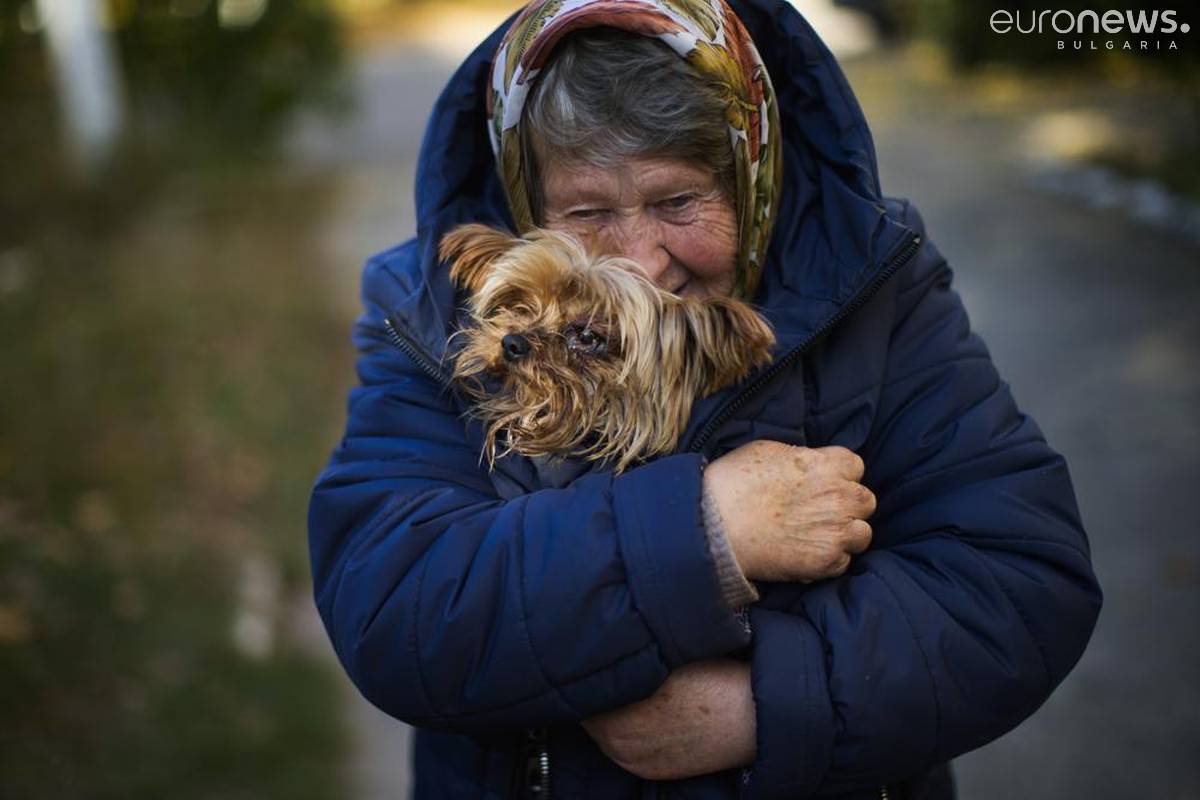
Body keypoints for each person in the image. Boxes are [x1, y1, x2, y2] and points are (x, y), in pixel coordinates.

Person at [307, 0, 1103, 798]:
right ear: (527, 200)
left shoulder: (878, 288)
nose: (641, 263)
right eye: (586, 213)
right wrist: (707, 530)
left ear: (751, 178)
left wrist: (767, 706)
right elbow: (397, 610)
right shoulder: (429, 312)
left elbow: (1018, 587)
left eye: (678, 203)